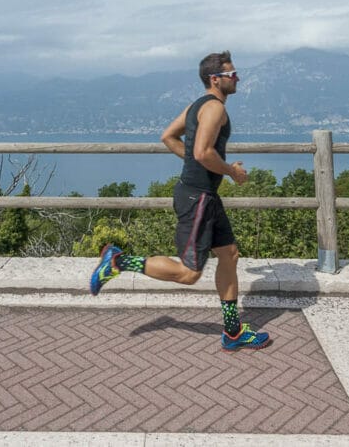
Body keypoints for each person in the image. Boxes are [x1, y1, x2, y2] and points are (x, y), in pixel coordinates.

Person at [88, 50, 271, 352]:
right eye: (231, 74)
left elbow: (168, 137)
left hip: (204, 196)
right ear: (215, 79)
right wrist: (232, 172)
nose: (237, 77)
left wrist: (197, 163)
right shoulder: (214, 109)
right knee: (189, 273)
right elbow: (201, 152)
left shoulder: (197, 106)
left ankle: (233, 332)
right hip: (198, 198)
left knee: (229, 255)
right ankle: (119, 261)